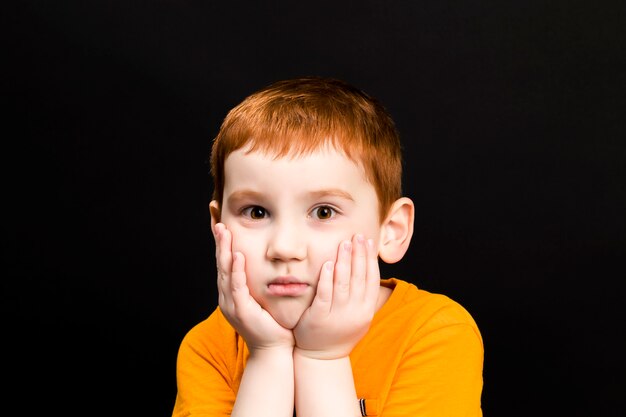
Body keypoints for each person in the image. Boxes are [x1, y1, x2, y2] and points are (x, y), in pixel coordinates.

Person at [172, 77, 484, 417]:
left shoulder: (434, 333)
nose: (285, 247)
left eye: (323, 212)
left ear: (391, 231)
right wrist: (267, 355)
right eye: (256, 212)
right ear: (219, 226)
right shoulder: (209, 348)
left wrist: (323, 357)